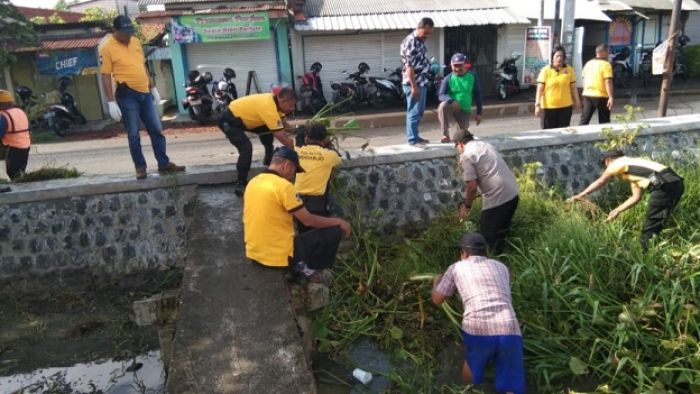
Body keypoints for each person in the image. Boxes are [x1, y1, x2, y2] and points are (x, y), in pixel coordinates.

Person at [431, 232, 525, 394]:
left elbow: (437, 300)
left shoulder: (456, 267)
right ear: (486, 252)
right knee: (511, 383)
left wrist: (435, 284)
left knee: (472, 366)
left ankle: (468, 388)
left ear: (464, 253)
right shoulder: (502, 267)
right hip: (509, 326)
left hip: (478, 327)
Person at [243, 146, 351, 280]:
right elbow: (308, 220)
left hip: (255, 255)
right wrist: (339, 221)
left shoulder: (253, 182)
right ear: (286, 165)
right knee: (333, 230)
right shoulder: (283, 186)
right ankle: (309, 269)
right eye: (294, 170)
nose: (293, 176)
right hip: (279, 259)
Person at [100, 15, 185, 180]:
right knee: (133, 134)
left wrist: (152, 87)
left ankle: (164, 164)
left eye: (129, 31)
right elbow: (105, 76)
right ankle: (140, 167)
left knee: (156, 129)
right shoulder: (107, 47)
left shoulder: (135, 42)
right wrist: (111, 101)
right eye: (124, 32)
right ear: (115, 31)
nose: (128, 35)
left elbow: (142, 65)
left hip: (145, 94)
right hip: (127, 95)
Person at [571, 150, 684, 249]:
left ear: (608, 160)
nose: (607, 169)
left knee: (651, 224)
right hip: (676, 183)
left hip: (663, 185)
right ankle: (654, 249)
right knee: (658, 220)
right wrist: (617, 211)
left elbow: (601, 181)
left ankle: (643, 254)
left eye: (605, 165)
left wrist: (581, 195)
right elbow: (636, 197)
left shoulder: (618, 162)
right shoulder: (632, 168)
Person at [218, 88, 297, 196]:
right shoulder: (268, 107)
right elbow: (282, 138)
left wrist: (301, 130)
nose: (292, 109)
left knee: (269, 128)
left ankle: (268, 162)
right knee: (246, 147)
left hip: (246, 120)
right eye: (291, 106)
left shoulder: (278, 105)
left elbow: (284, 125)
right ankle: (240, 183)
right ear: (283, 101)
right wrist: (299, 147)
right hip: (228, 120)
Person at [454, 130, 519, 254]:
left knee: (485, 240)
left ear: (460, 144)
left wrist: (467, 207)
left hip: (497, 198)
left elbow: (472, 186)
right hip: (513, 194)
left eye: (456, 147)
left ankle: (488, 267)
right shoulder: (486, 145)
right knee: (500, 236)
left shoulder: (466, 155)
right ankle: (502, 263)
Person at [294, 123, 342, 233]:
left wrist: (300, 134)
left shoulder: (297, 152)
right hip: (317, 204)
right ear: (324, 139)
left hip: (297, 203)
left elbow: (298, 143)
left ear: (307, 138)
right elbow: (339, 158)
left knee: (304, 235)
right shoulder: (330, 156)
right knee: (319, 237)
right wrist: (328, 145)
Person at [400, 17, 434, 147]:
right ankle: (412, 140)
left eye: (429, 33)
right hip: (413, 83)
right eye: (425, 33)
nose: (427, 36)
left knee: (419, 112)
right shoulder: (410, 42)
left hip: (422, 82)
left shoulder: (420, 41)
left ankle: (416, 136)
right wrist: (414, 87)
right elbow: (409, 67)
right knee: (413, 112)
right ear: (419, 28)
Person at [437, 53, 483, 143]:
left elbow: (478, 95)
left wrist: (479, 113)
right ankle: (445, 135)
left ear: (464, 65)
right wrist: (451, 100)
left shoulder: (472, 77)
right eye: (455, 66)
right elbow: (441, 95)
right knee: (443, 105)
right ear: (451, 65)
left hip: (465, 110)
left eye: (460, 65)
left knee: (462, 137)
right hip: (452, 106)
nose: (457, 68)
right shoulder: (448, 78)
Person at [535, 45, 581, 129]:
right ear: (553, 57)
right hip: (549, 108)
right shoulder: (546, 70)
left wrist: (577, 102)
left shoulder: (569, 69)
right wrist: (537, 105)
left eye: (562, 56)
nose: (560, 58)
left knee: (564, 132)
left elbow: (573, 87)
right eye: (557, 56)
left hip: (565, 107)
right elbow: (540, 89)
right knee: (548, 132)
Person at [579, 44, 614, 126]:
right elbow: (608, 81)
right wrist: (611, 97)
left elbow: (583, 79)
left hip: (587, 95)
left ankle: (578, 137)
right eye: (607, 52)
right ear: (603, 52)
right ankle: (605, 138)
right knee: (604, 121)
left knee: (584, 119)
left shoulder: (588, 64)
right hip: (601, 96)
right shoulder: (606, 65)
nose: (608, 54)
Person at [0, 90, 31, 181]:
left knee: (13, 173)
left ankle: (19, 190)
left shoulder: (3, 115)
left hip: (13, 148)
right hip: (25, 146)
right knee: (19, 172)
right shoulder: (20, 112)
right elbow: (29, 129)